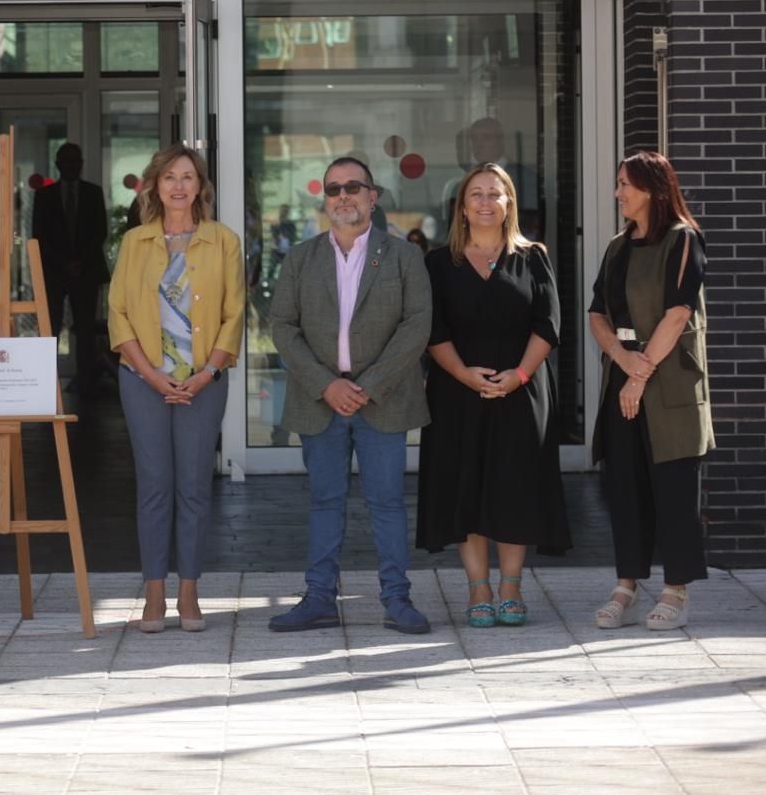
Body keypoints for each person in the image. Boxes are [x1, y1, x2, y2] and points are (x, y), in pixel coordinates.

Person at [267, 157, 434, 635]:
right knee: (325, 501)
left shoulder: (403, 257)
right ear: (326, 201)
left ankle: (397, 600)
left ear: (372, 196)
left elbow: (416, 325)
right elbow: (282, 326)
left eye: (353, 187)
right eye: (334, 189)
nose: (344, 196)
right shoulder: (300, 258)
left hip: (382, 399)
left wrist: (368, 385)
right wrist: (327, 384)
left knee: (387, 503)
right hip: (321, 398)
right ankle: (319, 598)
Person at [417, 164, 572, 628]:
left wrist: (519, 375)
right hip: (457, 393)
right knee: (466, 487)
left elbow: (549, 323)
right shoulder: (439, 263)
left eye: (495, 194)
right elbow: (432, 329)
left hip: (520, 392)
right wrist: (464, 375)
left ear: (509, 205)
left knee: (514, 489)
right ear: (462, 207)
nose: (486, 202)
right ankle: (478, 587)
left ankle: (510, 587)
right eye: (476, 195)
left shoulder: (533, 256)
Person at [108, 145, 243, 633]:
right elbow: (118, 313)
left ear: (200, 187)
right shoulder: (135, 243)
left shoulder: (223, 241)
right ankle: (153, 595)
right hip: (144, 379)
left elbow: (235, 315)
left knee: (193, 487)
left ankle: (189, 592)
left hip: (203, 382)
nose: (179, 186)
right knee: (154, 488)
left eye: (188, 177)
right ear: (155, 186)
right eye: (170, 177)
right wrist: (151, 373)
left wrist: (206, 374)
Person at [588, 150, 712, 632]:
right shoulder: (618, 245)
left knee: (673, 489)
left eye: (625, 184)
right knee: (625, 487)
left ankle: (675, 590)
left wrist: (639, 374)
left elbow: (678, 312)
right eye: (618, 183)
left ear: (654, 189)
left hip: (669, 381)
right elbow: (598, 313)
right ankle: (626, 585)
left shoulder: (684, 239)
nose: (618, 192)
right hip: (627, 372)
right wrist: (623, 363)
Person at [32, 143, 110, 394]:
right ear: (57, 164)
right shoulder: (44, 195)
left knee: (85, 329)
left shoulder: (93, 192)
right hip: (54, 272)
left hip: (86, 271)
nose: (71, 165)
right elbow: (38, 236)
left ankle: (86, 383)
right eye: (66, 161)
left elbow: (100, 232)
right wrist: (64, 263)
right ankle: (47, 383)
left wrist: (79, 262)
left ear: (82, 163)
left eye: (75, 160)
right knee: (50, 327)